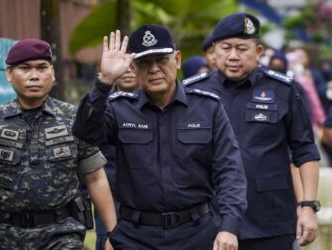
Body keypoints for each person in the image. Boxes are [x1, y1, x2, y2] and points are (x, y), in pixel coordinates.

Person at [73, 25, 247, 250]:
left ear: (177, 59)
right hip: (135, 236)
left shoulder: (208, 108)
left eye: (161, 60)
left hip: (196, 234)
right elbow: (85, 134)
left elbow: (230, 170)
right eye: (145, 62)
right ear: (133, 68)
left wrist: (229, 226)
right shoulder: (119, 108)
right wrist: (104, 82)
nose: (154, 69)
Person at [183, 13, 320, 250]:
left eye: (242, 48)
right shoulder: (194, 93)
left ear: (257, 52)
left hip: (270, 220)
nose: (233, 56)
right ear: (214, 51)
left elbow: (305, 150)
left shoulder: (282, 89)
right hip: (209, 220)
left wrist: (307, 206)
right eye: (226, 48)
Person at [0, 39, 117, 250]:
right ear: (9, 74)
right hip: (8, 238)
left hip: (63, 234)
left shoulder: (74, 119)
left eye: (42, 67)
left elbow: (95, 177)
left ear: (53, 73)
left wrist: (112, 233)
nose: (34, 76)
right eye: (24, 68)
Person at [94, 67, 139, 250]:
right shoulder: (100, 107)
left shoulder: (158, 106)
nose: (128, 72)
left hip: (148, 201)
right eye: (123, 68)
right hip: (110, 198)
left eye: (133, 67)